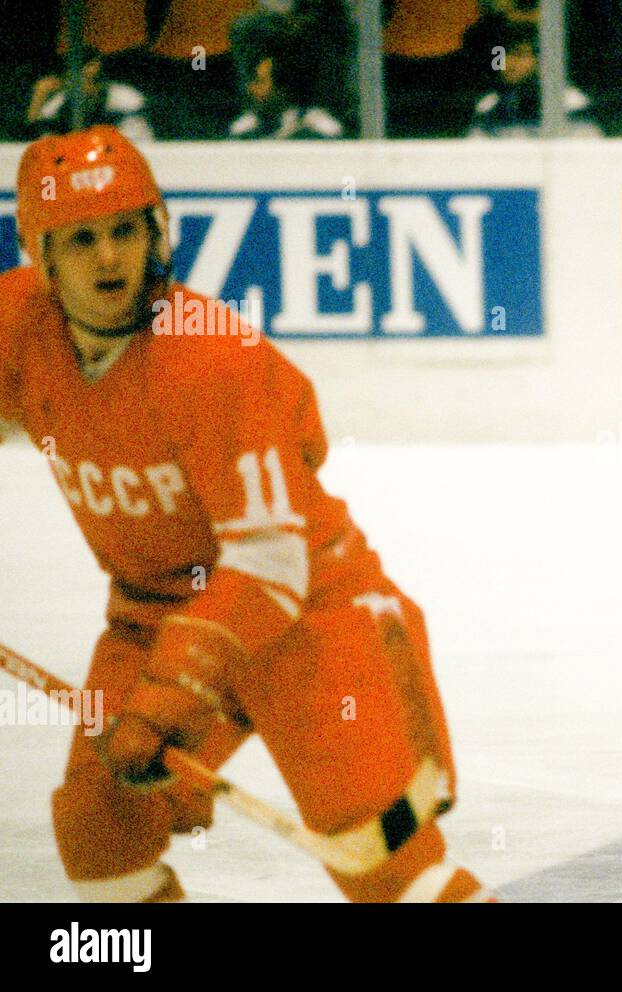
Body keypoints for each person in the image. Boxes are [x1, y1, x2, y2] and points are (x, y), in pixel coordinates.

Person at [0, 126, 489, 902]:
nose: (108, 258)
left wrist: (169, 694)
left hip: (308, 619)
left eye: (125, 230)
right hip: (152, 614)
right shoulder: (17, 324)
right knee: (100, 832)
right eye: (81, 237)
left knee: (386, 867)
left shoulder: (209, 357)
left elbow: (269, 564)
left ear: (156, 230)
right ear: (41, 255)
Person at [466, 22, 601, 138]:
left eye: (519, 54)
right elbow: (476, 158)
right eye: (502, 55)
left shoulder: (571, 103)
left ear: (540, 60)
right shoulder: (489, 106)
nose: (507, 63)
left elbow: (587, 155)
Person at [27, 51, 154, 143]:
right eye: (73, 78)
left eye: (89, 79)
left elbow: (139, 143)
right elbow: (40, 144)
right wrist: (39, 97)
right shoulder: (59, 102)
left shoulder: (126, 99)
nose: (83, 86)